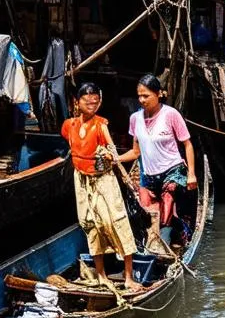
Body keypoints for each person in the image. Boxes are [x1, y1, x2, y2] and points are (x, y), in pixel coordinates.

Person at [61, 82, 141, 291]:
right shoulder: (69, 125)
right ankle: (101, 275)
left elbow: (112, 152)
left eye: (95, 103)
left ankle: (129, 276)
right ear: (76, 103)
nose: (92, 106)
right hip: (82, 180)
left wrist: (109, 156)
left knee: (116, 220)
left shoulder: (100, 125)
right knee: (91, 224)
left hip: (104, 180)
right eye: (87, 102)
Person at [120, 74, 197, 247]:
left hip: (172, 170)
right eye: (139, 96)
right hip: (148, 175)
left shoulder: (171, 115)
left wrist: (191, 174)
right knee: (147, 217)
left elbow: (188, 145)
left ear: (159, 94)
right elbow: (135, 152)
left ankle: (173, 239)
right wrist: (114, 158)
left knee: (166, 211)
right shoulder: (135, 119)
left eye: (146, 95)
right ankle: (176, 230)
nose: (142, 100)